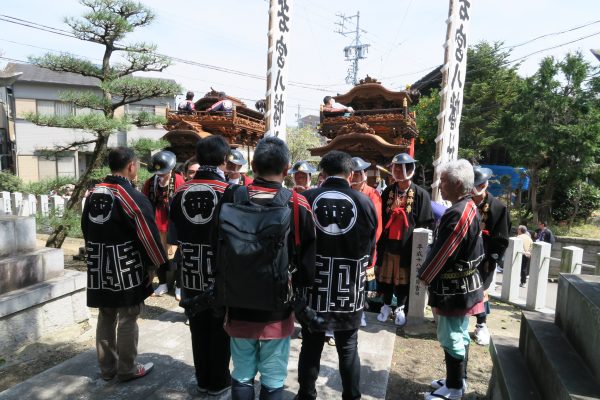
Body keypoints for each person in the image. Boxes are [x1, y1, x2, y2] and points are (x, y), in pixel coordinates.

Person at [214, 136, 316, 400]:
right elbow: (307, 263)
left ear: (253, 167)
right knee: (273, 377)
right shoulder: (296, 204)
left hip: (236, 302)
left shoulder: (231, 196)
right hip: (278, 307)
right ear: (286, 171)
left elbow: (216, 246)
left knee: (242, 373)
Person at [296, 151, 378, 400]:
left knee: (311, 344)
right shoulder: (364, 202)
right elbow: (369, 248)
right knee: (348, 346)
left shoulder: (305, 198)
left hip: (314, 285)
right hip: (348, 286)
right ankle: (352, 396)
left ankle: (306, 395)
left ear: (321, 173)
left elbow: (295, 244)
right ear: (350, 174)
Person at [81, 147, 168, 382]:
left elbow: (86, 230)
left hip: (99, 265)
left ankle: (107, 369)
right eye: (137, 164)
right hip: (125, 266)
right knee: (128, 317)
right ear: (131, 166)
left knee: (105, 315)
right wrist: (156, 266)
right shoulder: (131, 197)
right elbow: (148, 237)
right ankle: (127, 369)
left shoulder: (93, 193)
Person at [169, 136, 232, 396]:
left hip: (190, 268)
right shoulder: (230, 192)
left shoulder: (181, 192)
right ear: (224, 160)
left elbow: (172, 238)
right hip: (221, 270)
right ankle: (218, 381)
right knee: (220, 326)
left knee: (196, 324)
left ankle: (202, 378)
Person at [417, 159, 485, 400]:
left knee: (452, 336)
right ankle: (458, 379)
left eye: (444, 180)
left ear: (457, 184)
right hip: (462, 285)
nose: (440, 184)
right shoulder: (466, 207)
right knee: (459, 334)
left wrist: (424, 276)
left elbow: (444, 251)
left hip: (454, 288)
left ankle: (455, 388)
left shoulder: (458, 213)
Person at [376, 153, 434, 326]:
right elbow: (381, 217)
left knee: (404, 278)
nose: (401, 172)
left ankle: (400, 307)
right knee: (386, 277)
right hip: (388, 244)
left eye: (406, 168)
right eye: (397, 168)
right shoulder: (388, 191)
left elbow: (426, 223)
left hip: (408, 246)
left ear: (412, 170)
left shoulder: (421, 194)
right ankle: (386, 305)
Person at [471, 166, 509, 346]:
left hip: (484, 258)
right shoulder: (465, 202)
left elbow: (502, 238)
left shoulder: (497, 207)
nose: (475, 188)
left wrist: (493, 260)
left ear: (485, 184)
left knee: (481, 291)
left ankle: (481, 324)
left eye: (478, 184)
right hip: (464, 255)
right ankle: (461, 320)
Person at [142, 150, 185, 297]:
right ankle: (162, 284)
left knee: (177, 257)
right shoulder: (150, 182)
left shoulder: (178, 180)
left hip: (173, 224)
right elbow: (144, 202)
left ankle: (179, 285)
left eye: (163, 171)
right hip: (156, 224)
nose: (160, 174)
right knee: (159, 255)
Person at [350, 156, 383, 327]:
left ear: (363, 174)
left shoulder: (372, 193)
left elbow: (376, 224)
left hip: (364, 246)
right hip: (345, 245)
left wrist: (368, 246)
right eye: (352, 173)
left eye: (358, 173)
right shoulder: (345, 190)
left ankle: (360, 310)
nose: (355, 176)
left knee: (361, 281)